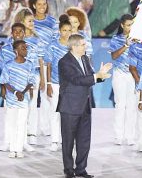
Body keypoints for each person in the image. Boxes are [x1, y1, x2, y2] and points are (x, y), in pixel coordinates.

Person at [58, 34, 112, 178]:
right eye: (83, 44)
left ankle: (81, 169)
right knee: (68, 141)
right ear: (74, 46)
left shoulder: (85, 58)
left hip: (85, 106)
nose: (85, 46)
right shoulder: (64, 62)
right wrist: (96, 76)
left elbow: (89, 79)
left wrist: (100, 76)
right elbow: (76, 80)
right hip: (70, 107)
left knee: (84, 141)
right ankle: (69, 170)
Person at [0, 40, 36, 159]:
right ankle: (12, 148)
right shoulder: (8, 64)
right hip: (11, 99)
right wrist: (15, 92)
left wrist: (23, 93)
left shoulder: (30, 64)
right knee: (12, 124)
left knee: (22, 124)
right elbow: (5, 82)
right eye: (22, 48)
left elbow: (31, 82)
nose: (25, 50)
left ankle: (19, 149)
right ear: (16, 51)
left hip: (23, 100)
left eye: (26, 48)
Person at [13, 8, 44, 145]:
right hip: (19, 76)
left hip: (34, 75)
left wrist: (43, 78)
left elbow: (41, 60)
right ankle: (19, 132)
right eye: (29, 21)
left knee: (32, 103)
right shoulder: (16, 40)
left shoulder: (37, 40)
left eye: (33, 20)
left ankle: (31, 133)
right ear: (21, 22)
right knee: (20, 104)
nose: (32, 23)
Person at [29, 0, 57, 137]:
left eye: (44, 4)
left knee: (46, 95)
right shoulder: (29, 21)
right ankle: (30, 129)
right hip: (32, 63)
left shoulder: (52, 22)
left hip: (47, 63)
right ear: (34, 5)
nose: (42, 7)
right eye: (39, 4)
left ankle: (45, 127)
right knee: (32, 96)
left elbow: (56, 41)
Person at [44, 15, 72, 152]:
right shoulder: (52, 46)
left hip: (70, 85)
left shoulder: (74, 46)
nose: (67, 33)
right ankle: (55, 140)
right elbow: (48, 65)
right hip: (55, 83)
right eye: (64, 30)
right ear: (60, 31)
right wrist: (48, 83)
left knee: (68, 114)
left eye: (69, 30)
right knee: (55, 112)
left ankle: (67, 141)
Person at [109, 14, 136, 145]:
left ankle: (130, 136)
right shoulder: (116, 39)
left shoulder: (138, 39)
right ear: (122, 25)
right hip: (119, 74)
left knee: (132, 106)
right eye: (128, 25)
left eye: (132, 24)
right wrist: (125, 45)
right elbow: (114, 56)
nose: (130, 27)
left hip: (133, 74)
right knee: (120, 105)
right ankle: (118, 135)